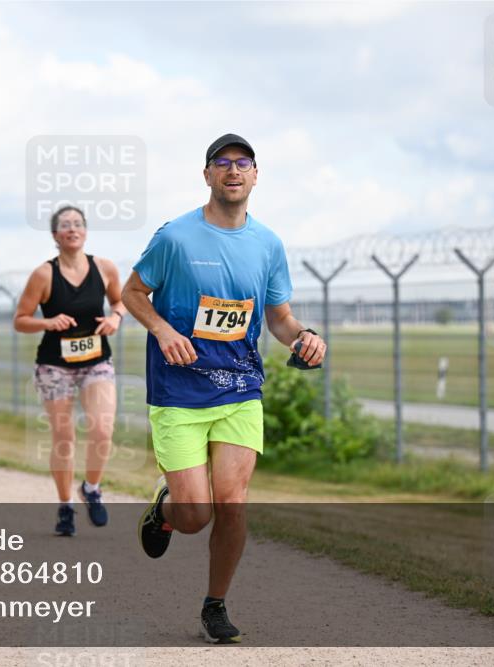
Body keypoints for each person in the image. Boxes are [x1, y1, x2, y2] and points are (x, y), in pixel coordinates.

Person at [121, 134, 326, 644]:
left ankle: (216, 604)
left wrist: (303, 337)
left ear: (256, 176)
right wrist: (164, 331)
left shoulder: (268, 244)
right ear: (208, 174)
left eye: (243, 163)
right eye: (223, 163)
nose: (233, 171)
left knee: (233, 503)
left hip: (240, 390)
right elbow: (132, 293)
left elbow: (278, 319)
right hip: (178, 392)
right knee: (196, 515)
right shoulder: (176, 238)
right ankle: (167, 510)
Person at [13, 205, 127, 537]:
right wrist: (47, 322)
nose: (72, 229)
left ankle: (91, 488)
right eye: (65, 225)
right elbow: (20, 319)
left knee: (103, 430)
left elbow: (120, 302)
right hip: (55, 365)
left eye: (78, 224)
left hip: (96, 361)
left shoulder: (104, 268)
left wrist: (115, 318)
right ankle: (65, 506)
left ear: (86, 231)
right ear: (55, 236)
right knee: (64, 438)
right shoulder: (43, 275)